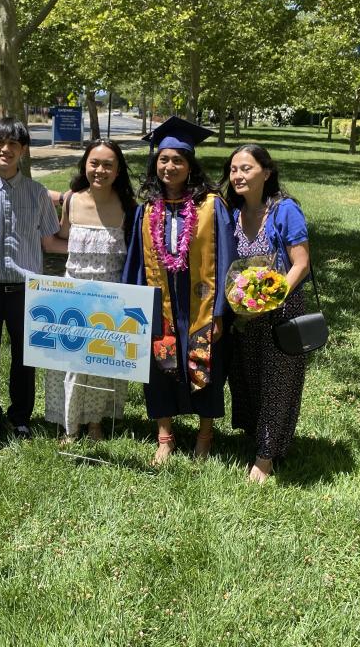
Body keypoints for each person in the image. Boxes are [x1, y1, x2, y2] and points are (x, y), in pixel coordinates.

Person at [123, 117, 238, 465]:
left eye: (178, 160)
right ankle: (165, 437)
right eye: (163, 159)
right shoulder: (146, 211)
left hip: (200, 303)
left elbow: (227, 259)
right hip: (160, 304)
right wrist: (133, 308)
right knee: (160, 368)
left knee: (207, 366)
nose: (169, 166)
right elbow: (136, 264)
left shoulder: (211, 206)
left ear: (190, 166)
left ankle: (205, 434)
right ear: (155, 164)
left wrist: (219, 311)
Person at [0, 117, 63, 448]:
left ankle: (20, 418)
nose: (6, 149)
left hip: (27, 291)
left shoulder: (37, 194)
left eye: (14, 144)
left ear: (23, 151)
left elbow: (51, 243)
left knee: (26, 358)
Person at [224, 144, 310, 483]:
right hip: (244, 316)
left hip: (280, 312)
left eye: (246, 168)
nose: (238, 175)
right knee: (246, 378)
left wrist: (269, 299)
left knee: (278, 383)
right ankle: (256, 437)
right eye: (233, 169)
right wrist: (245, 303)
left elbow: (301, 264)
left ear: (267, 172)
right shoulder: (232, 212)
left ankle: (265, 457)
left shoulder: (285, 211)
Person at [44, 140, 137, 441]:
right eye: (94, 163)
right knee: (71, 362)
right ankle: (70, 425)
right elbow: (60, 240)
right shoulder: (71, 200)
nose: (100, 170)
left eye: (108, 164)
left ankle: (96, 422)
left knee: (100, 363)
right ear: (85, 165)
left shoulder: (127, 207)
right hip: (72, 293)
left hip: (110, 295)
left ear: (118, 169)